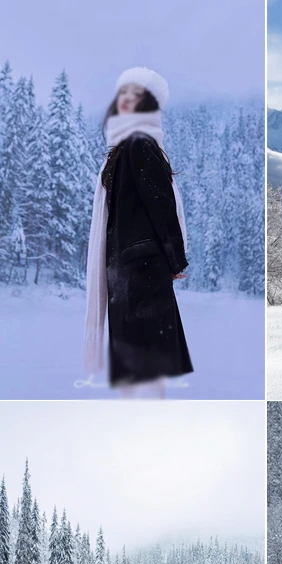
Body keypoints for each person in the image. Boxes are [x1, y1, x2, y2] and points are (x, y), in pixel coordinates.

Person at [83, 67, 193, 398]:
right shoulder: (132, 145)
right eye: (124, 93)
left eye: (137, 94)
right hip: (137, 271)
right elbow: (159, 205)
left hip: (132, 271)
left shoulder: (133, 145)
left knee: (139, 368)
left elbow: (158, 203)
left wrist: (173, 259)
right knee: (144, 368)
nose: (127, 99)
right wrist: (174, 260)